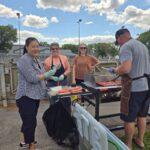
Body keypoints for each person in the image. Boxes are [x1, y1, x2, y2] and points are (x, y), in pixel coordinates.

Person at [109, 28, 150, 150]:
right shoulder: (142, 46)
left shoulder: (126, 46)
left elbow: (126, 68)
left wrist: (115, 70)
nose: (119, 44)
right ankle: (140, 141)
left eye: (118, 42)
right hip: (146, 87)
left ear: (119, 37)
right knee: (142, 116)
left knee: (129, 118)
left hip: (134, 88)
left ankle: (128, 145)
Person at [16, 37, 56, 150]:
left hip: (34, 96)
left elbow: (43, 74)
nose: (36, 48)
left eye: (37, 46)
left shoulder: (36, 60)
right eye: (33, 46)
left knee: (28, 121)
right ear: (27, 47)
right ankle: (31, 146)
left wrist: (52, 76)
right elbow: (32, 78)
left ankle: (23, 142)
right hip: (25, 96)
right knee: (30, 123)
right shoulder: (24, 60)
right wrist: (48, 74)